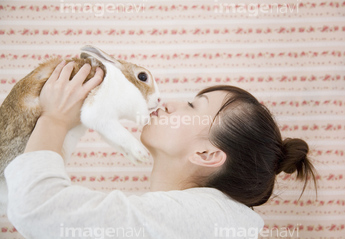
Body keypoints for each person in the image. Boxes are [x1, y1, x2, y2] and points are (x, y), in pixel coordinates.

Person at [5, 61, 317, 239]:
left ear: (207, 154)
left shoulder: (198, 220)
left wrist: (55, 120)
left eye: (194, 106)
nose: (170, 104)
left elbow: (38, 209)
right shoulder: (189, 219)